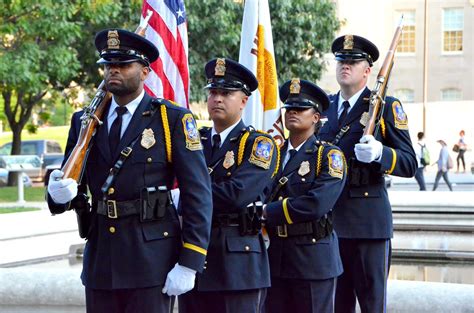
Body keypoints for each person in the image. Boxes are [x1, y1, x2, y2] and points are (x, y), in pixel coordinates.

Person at [47, 29, 213, 313]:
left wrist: (190, 262)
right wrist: (57, 194)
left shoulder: (171, 119)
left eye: (123, 65)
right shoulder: (85, 120)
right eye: (109, 65)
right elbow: (73, 184)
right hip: (102, 258)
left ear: (145, 72)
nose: (114, 70)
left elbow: (197, 193)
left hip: (151, 258)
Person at [318, 35, 417, 313]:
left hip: (367, 226)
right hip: (329, 224)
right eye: (341, 61)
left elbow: (409, 163)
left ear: (367, 70)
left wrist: (380, 154)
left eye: (353, 61)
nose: (345, 66)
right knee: (336, 306)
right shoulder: (323, 108)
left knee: (372, 305)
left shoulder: (385, 106)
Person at [178, 58, 278, 313]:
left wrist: (183, 197)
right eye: (213, 92)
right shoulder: (194, 140)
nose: (217, 99)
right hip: (195, 256)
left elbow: (236, 195)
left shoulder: (258, 144)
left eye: (226, 93)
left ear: (244, 101)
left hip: (238, 264)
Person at [262, 79, 346, 313]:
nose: (292, 112)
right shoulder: (273, 155)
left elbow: (316, 204)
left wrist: (266, 212)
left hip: (312, 259)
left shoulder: (328, 156)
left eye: (300, 108)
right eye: (289, 108)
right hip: (275, 257)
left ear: (316, 117)